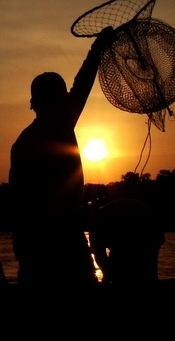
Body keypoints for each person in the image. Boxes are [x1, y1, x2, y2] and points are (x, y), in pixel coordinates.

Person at [9, 26, 116, 286]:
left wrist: (98, 48)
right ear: (50, 102)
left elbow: (17, 205)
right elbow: (22, 203)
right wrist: (98, 48)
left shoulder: (28, 140)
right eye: (61, 97)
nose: (68, 100)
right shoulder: (53, 128)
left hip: (44, 246)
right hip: (52, 244)